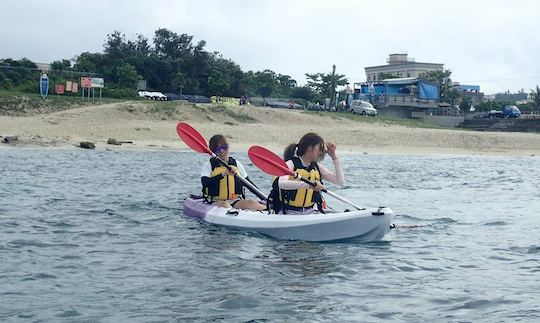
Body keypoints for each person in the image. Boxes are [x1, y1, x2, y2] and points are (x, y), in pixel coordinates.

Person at [268, 133, 344, 214]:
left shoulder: (316, 167)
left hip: (309, 211)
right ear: (309, 148)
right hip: (289, 212)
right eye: (319, 148)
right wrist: (308, 185)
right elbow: (281, 184)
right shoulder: (291, 164)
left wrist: (334, 156)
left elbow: (340, 181)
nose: (321, 152)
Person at [200, 135, 266, 211]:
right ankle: (235, 215)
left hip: (235, 200)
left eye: (225, 147)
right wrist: (223, 174)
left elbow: (249, 185)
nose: (222, 151)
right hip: (216, 201)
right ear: (213, 151)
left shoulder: (236, 164)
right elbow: (205, 183)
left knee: (252, 202)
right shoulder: (208, 165)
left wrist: (264, 199)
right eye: (218, 149)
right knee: (225, 204)